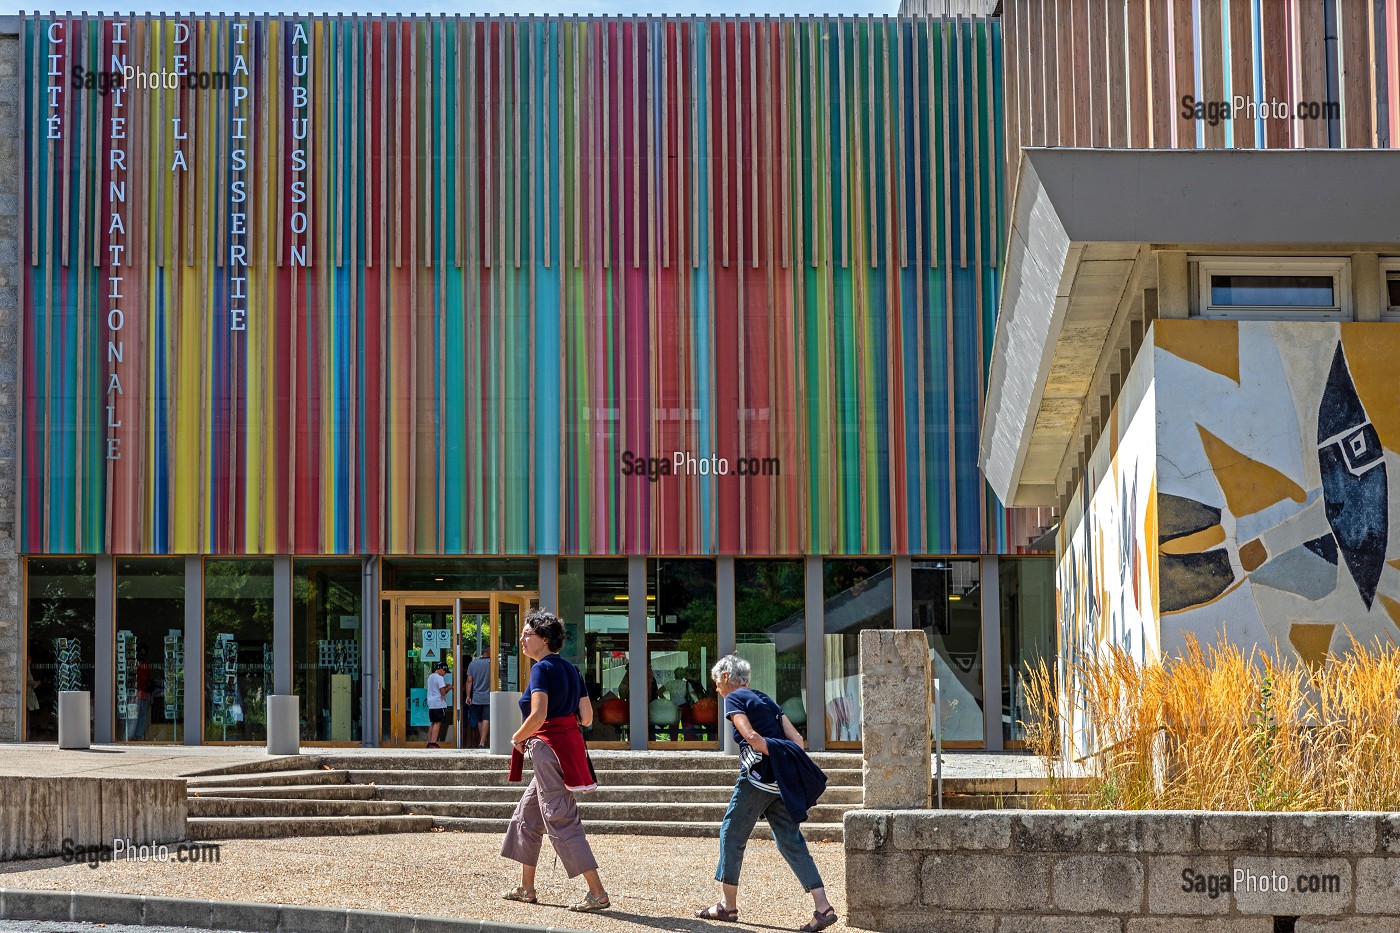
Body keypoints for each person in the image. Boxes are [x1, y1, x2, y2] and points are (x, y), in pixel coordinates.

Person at [697, 654, 837, 932]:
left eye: (716, 682)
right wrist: (784, 759)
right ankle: (823, 907)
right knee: (790, 840)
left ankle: (728, 906)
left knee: (731, 833)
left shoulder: (734, 699)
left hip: (757, 779)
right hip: (781, 782)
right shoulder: (765, 698)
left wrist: (769, 754)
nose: (716, 689)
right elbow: (797, 740)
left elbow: (750, 737)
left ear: (726, 678)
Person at [500, 609, 610, 912]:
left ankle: (597, 892)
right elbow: (586, 718)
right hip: (567, 748)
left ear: (544, 639)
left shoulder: (541, 670)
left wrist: (516, 738)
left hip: (547, 749)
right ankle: (526, 887)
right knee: (528, 814)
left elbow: (538, 716)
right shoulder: (572, 671)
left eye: (527, 634)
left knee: (560, 817)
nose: (522, 638)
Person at [465, 648, 492, 749]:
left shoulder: (472, 664)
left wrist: (468, 696)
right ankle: (482, 743)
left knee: (480, 720)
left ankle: (482, 742)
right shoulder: (492, 663)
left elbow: (469, 681)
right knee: (486, 719)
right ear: (489, 652)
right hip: (489, 697)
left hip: (476, 697)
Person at [425, 660, 452, 749]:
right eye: (444, 671)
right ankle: (434, 743)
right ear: (441, 669)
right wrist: (449, 687)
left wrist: (445, 686)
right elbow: (443, 692)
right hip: (438, 703)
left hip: (431, 703)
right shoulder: (439, 678)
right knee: (437, 723)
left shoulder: (430, 677)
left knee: (432, 723)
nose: (444, 674)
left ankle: (429, 742)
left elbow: (435, 688)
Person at [132, 645, 153, 741]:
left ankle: (137, 734)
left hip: (141, 691)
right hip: (139, 691)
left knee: (139, 714)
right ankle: (135, 734)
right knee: (138, 714)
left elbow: (146, 677)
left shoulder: (141, 663)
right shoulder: (138, 664)